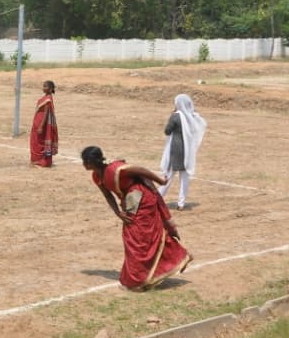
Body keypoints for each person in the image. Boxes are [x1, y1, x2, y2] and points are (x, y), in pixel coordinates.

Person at [81, 146, 192, 291]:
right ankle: (143, 276)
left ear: (90, 162)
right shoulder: (97, 176)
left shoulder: (116, 169)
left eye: (84, 161)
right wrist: (117, 213)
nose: (83, 164)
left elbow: (139, 170)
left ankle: (139, 279)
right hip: (131, 200)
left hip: (142, 198)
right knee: (134, 236)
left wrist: (160, 181)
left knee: (137, 237)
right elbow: (108, 195)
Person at [158, 93, 207, 210]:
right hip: (188, 150)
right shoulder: (192, 116)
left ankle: (157, 199)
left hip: (175, 149)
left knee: (168, 175)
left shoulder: (175, 116)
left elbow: (167, 131)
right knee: (184, 177)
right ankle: (181, 203)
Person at [29, 80, 58, 167]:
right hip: (37, 122)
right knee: (35, 141)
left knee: (39, 142)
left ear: (50, 89)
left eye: (46, 86)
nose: (44, 88)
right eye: (43, 86)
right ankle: (36, 159)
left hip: (42, 123)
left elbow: (46, 113)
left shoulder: (48, 99)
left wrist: (41, 126)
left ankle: (41, 160)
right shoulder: (45, 97)